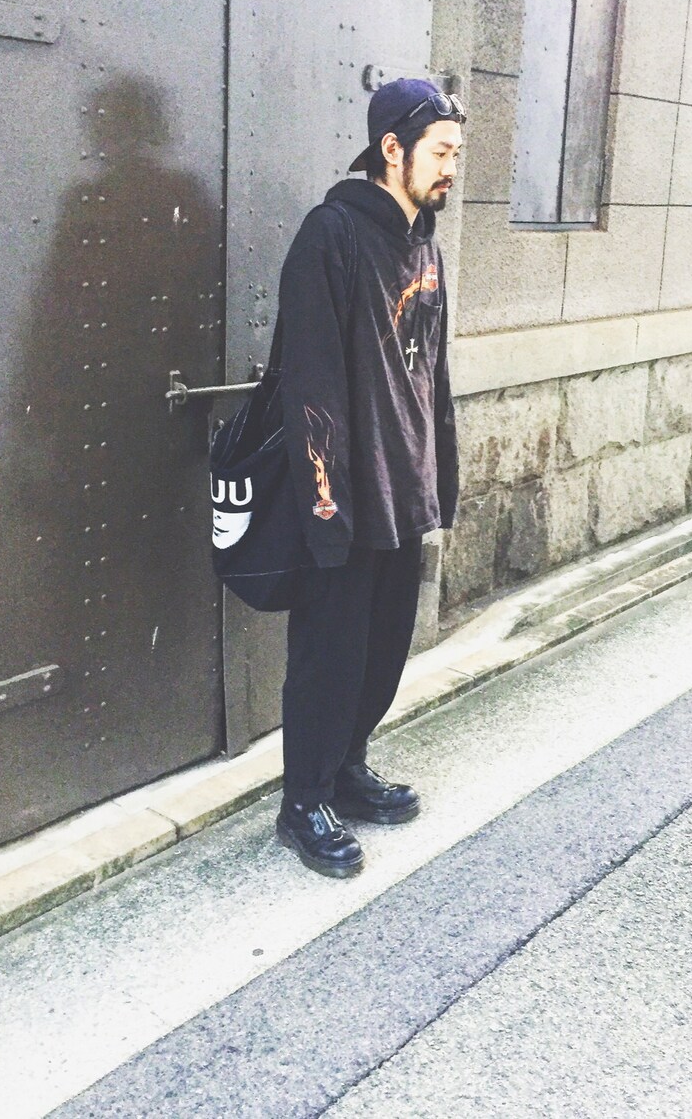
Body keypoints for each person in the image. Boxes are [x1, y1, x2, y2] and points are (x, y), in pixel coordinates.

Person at [274, 78, 464, 878]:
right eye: (440, 152)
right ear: (392, 148)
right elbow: (309, 381)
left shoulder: (425, 244)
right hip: (347, 494)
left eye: (456, 154)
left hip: (405, 487)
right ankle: (303, 801)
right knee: (329, 653)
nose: (451, 167)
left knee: (381, 651)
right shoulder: (332, 236)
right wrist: (324, 499)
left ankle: (347, 769)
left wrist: (440, 473)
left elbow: (433, 376)